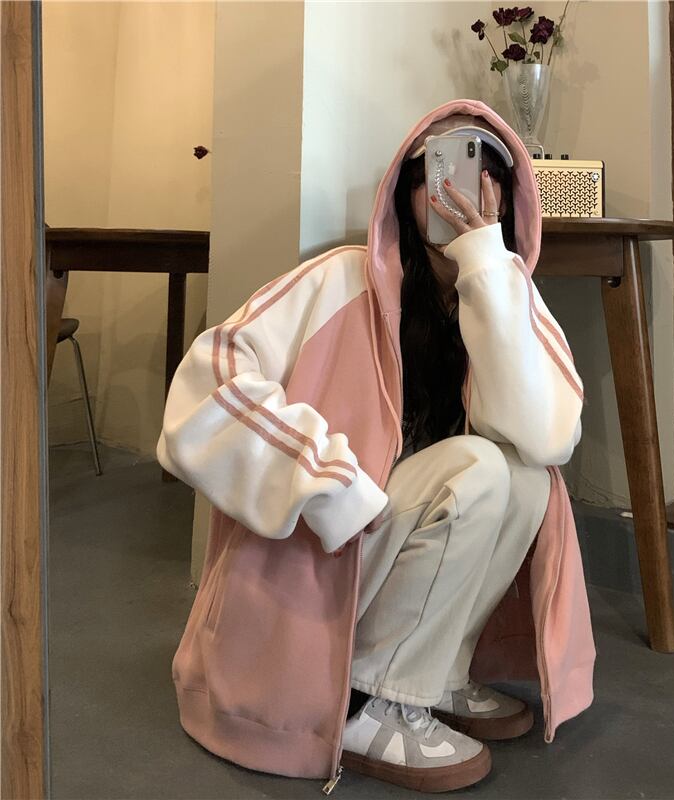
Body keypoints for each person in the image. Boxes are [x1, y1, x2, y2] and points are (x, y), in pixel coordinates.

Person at [158, 99, 595, 794]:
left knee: (526, 478)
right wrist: (324, 482)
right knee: (480, 468)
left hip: (386, 546)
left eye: (485, 170)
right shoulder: (339, 279)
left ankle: (434, 675)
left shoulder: (514, 298)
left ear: (508, 197)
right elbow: (206, 383)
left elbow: (546, 437)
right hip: (323, 553)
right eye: (436, 171)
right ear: (403, 192)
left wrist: (485, 263)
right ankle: (377, 705)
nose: (460, 189)